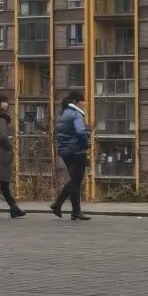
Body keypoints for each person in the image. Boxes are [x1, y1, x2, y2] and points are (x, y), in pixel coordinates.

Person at [52, 89, 91, 221]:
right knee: (76, 180)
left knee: (75, 180)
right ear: (76, 101)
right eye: (83, 100)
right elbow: (80, 132)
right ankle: (58, 203)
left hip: (65, 150)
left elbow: (59, 131)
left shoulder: (63, 113)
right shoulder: (76, 114)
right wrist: (86, 143)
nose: (84, 103)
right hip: (76, 150)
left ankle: (76, 211)